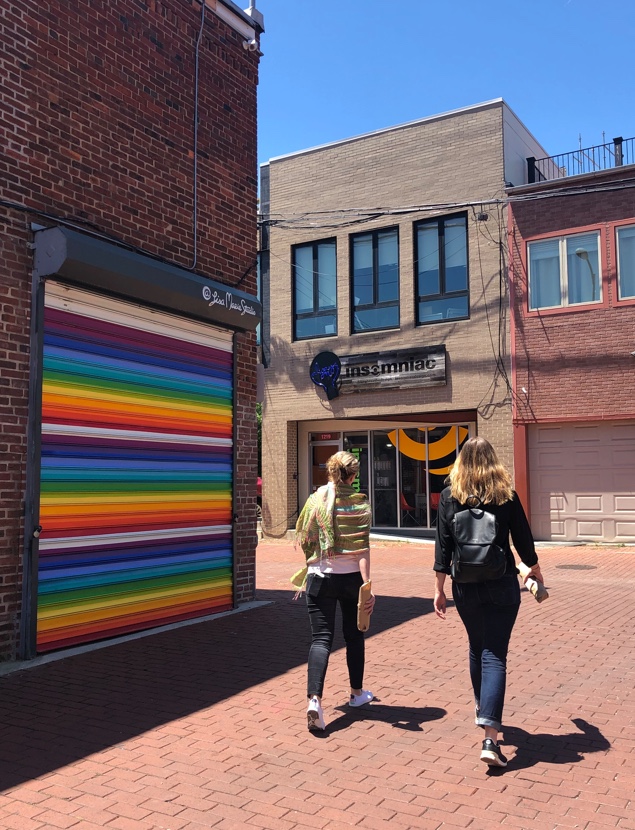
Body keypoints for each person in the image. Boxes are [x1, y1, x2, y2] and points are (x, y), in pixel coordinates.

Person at [433, 437, 544, 767]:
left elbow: (442, 547)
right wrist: (534, 570)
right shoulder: (504, 493)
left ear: (461, 462)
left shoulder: (450, 495)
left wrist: (439, 588)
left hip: (464, 586)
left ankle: (483, 708)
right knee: (494, 653)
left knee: (476, 646)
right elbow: (523, 539)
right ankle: (490, 739)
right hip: (501, 584)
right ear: (493, 461)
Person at [294, 451, 376, 731]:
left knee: (320, 640)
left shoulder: (315, 499)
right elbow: (362, 548)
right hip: (351, 578)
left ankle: (314, 701)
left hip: (319, 577)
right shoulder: (359, 503)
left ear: (331, 472)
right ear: (352, 476)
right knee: (354, 636)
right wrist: (368, 586)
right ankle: (356, 694)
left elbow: (305, 535)